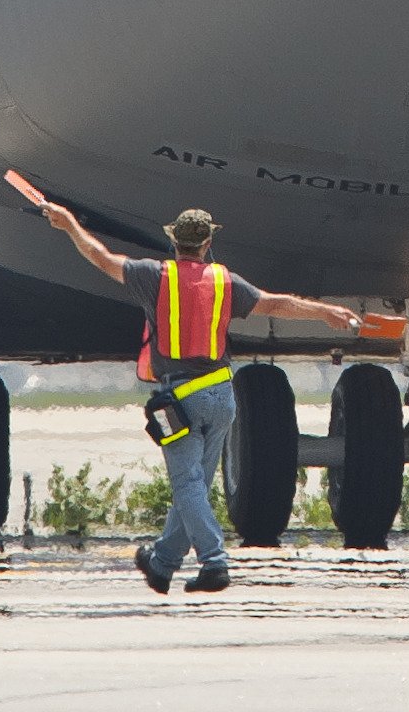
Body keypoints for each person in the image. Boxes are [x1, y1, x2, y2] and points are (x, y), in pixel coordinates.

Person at [44, 199, 361, 593]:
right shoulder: (225, 281)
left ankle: (215, 563)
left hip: (179, 399)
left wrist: (70, 224)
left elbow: (101, 257)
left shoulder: (154, 277)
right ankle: (162, 565)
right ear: (208, 242)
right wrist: (325, 311)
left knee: (187, 485)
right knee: (194, 485)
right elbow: (276, 303)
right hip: (222, 396)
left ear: (174, 241)